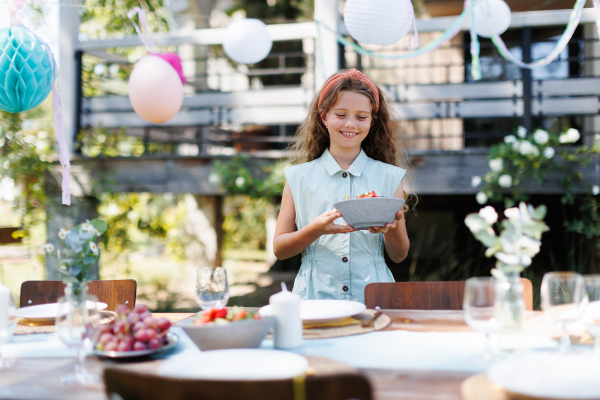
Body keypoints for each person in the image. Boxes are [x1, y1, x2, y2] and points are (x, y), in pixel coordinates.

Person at [273, 69, 411, 303]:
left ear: (372, 121)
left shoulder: (390, 177)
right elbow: (280, 249)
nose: (350, 124)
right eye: (340, 114)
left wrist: (393, 225)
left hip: (373, 298)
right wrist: (315, 229)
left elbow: (399, 255)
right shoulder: (298, 178)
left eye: (361, 116)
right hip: (315, 298)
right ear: (324, 116)